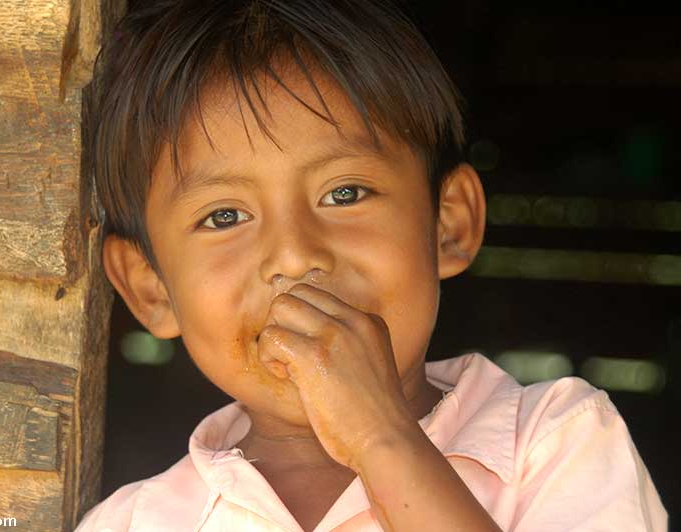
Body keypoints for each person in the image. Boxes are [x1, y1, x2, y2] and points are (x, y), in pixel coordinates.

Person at [76, 1, 668, 530]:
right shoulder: (134, 522)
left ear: (448, 224)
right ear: (151, 288)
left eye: (344, 193)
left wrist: (380, 439)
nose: (294, 254)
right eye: (225, 216)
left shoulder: (556, 443)